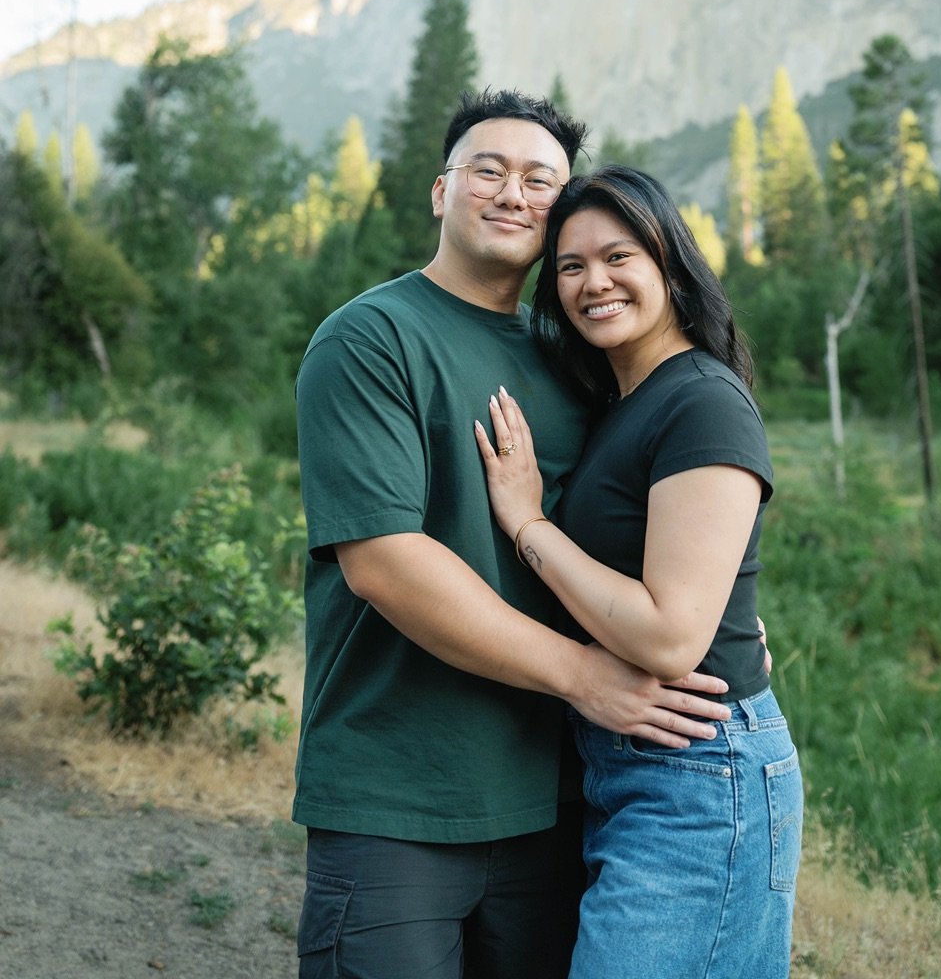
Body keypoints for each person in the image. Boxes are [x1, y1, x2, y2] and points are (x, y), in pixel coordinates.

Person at [293, 91, 736, 979]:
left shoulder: (577, 352)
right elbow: (383, 563)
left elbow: (643, 523)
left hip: (561, 794)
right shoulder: (371, 338)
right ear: (441, 190)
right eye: (487, 170)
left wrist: (723, 615)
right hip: (401, 791)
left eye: (540, 179)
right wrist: (583, 676)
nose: (512, 193)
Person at [475, 165, 802, 979]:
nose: (594, 283)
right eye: (571, 266)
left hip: (696, 773)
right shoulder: (627, 402)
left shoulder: (701, 401)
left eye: (617, 256)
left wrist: (526, 522)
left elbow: (668, 637)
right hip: (631, 764)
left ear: (668, 262)